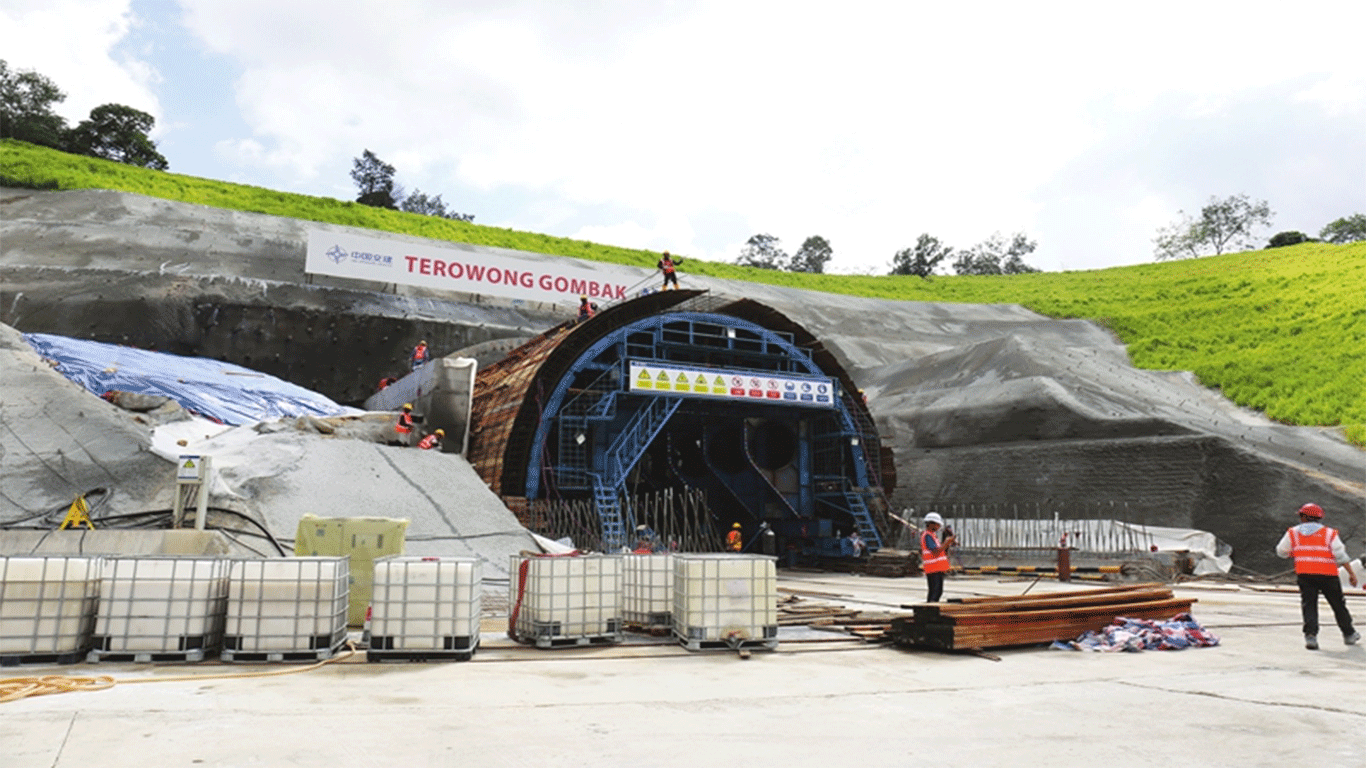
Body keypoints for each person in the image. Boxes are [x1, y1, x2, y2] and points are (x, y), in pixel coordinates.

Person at [1275, 502, 1359, 650]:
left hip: (1305, 575)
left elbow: (1281, 552)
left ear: (1303, 517)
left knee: (1309, 605)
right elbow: (1341, 556)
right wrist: (1351, 574)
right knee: (1338, 605)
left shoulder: (1293, 533)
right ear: (1320, 518)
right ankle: (1349, 634)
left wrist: (1296, 552)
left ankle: (1311, 636)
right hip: (1328, 575)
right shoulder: (1329, 533)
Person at [920, 512, 955, 603]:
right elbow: (935, 551)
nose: (938, 527)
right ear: (931, 524)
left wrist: (948, 544)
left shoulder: (933, 536)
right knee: (935, 592)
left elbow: (941, 551)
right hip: (933, 568)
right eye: (937, 524)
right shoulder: (927, 536)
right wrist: (946, 542)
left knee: (938, 591)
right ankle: (930, 609)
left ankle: (931, 608)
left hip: (937, 568)